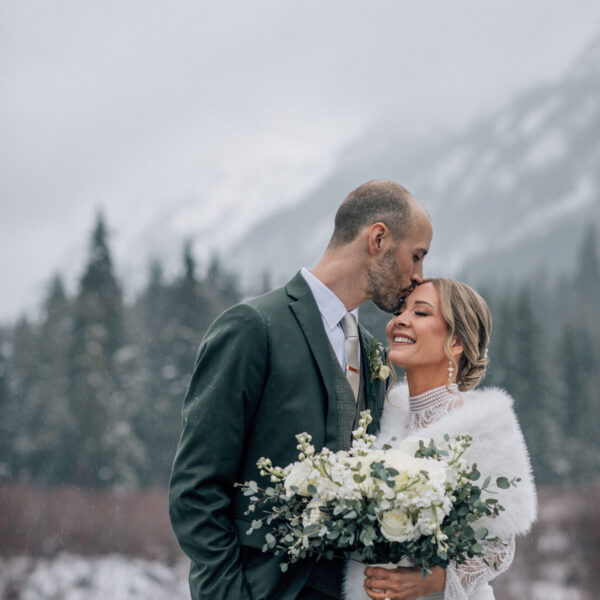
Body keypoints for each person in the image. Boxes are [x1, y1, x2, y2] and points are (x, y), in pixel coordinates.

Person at [168, 180, 433, 600]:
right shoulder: (252, 328)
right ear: (378, 238)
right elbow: (196, 491)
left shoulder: (375, 356)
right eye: (416, 256)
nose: (419, 276)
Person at [343, 278, 537, 600]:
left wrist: (429, 581)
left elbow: (499, 548)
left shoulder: (483, 427)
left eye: (420, 313)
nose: (400, 320)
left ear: (457, 341)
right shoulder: (384, 415)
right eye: (401, 311)